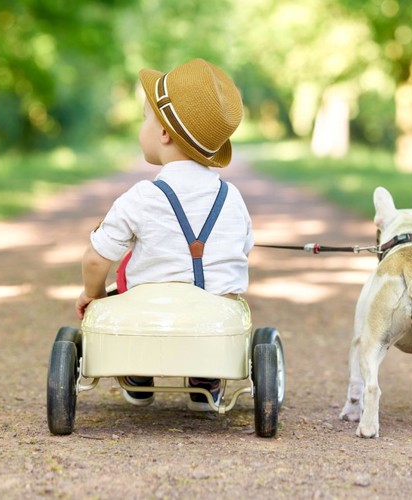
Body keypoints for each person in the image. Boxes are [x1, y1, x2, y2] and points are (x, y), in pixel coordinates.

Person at [75, 58, 254, 411]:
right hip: (214, 321)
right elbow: (243, 249)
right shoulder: (232, 198)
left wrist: (93, 295)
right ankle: (207, 377)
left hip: (148, 318)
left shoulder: (142, 197)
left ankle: (138, 371)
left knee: (129, 281)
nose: (141, 126)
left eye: (145, 118)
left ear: (163, 134)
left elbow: (96, 257)